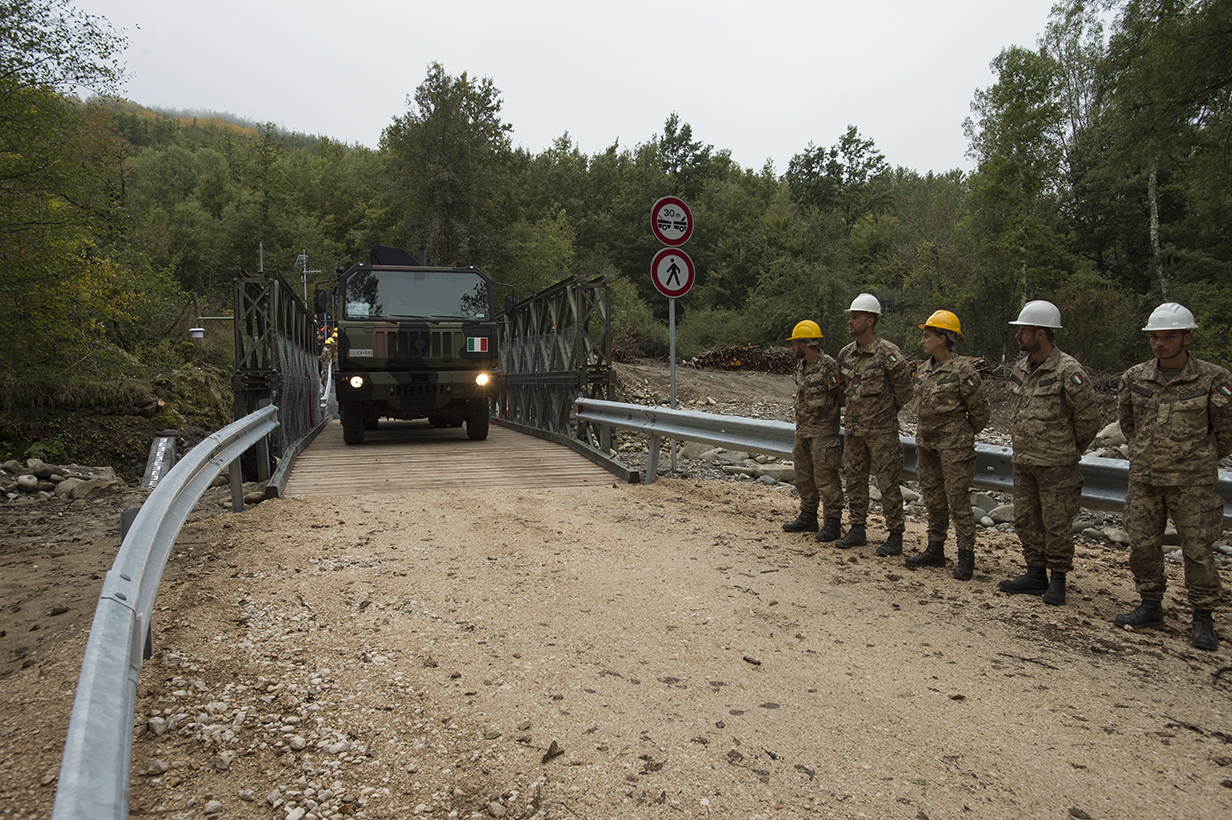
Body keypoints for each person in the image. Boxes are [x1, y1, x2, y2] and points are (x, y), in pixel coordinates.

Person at [1113, 303, 1231, 651]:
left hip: (1192, 483)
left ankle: (1203, 617)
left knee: (1197, 550)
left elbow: (1225, 432)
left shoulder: (1214, 379)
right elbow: (1128, 423)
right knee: (1143, 545)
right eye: (1155, 337)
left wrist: (1196, 457)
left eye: (1168, 337)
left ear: (1187, 337)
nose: (1160, 344)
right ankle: (1150, 605)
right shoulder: (1135, 377)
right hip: (1146, 479)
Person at [998, 300, 1101, 606]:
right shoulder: (1021, 367)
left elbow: (1088, 419)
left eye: (1023, 331)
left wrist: (1067, 448)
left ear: (1040, 333)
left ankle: (1058, 579)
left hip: (1057, 464)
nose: (1018, 336)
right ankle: (1035, 573)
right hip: (1024, 460)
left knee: (1057, 523)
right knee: (1027, 520)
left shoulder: (1068, 370)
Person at [904, 311, 991, 580]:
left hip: (954, 448)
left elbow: (980, 412)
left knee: (958, 503)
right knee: (933, 499)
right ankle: (935, 549)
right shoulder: (925, 368)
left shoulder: (963, 371)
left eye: (927, 335)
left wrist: (961, 435)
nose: (922, 340)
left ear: (942, 339)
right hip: (927, 445)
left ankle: (966, 556)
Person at [834, 293, 913, 554]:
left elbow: (904, 390)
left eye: (855, 317)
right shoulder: (846, 353)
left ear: (870, 320)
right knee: (855, 480)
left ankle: (895, 535)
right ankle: (857, 528)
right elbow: (844, 388)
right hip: (855, 430)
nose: (850, 322)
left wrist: (885, 413)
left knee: (888, 483)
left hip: (882, 433)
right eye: (850, 317)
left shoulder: (888, 353)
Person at [782, 320, 845, 541]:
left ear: (804, 344)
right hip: (803, 432)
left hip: (824, 435)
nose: (792, 348)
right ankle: (808, 516)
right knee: (803, 477)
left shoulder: (829, 366)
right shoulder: (802, 367)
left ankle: (833, 523)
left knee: (826, 479)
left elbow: (842, 396)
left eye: (795, 343)